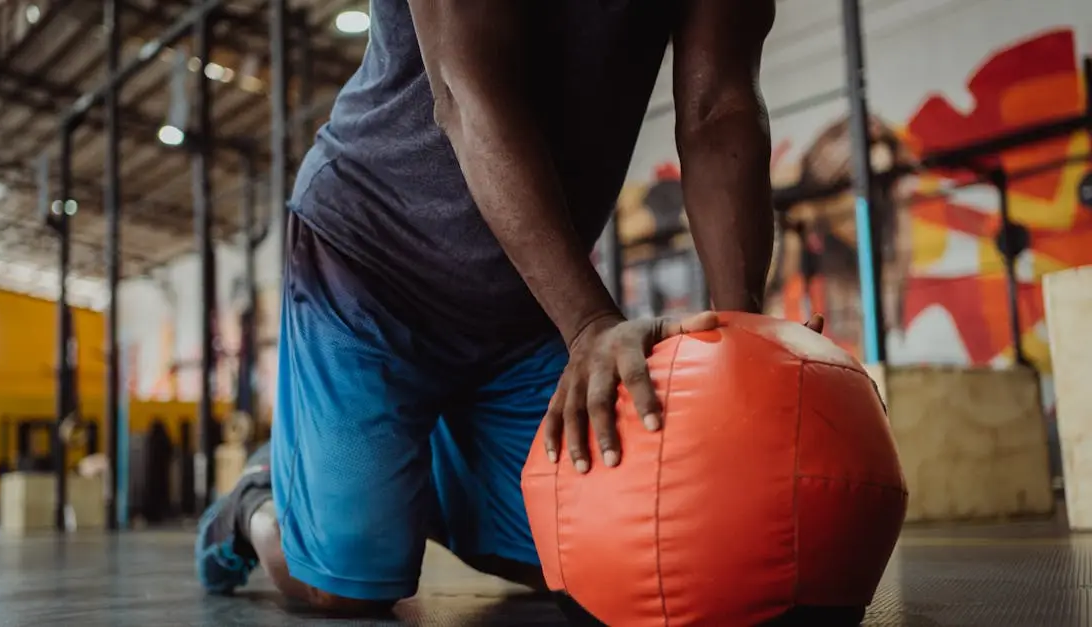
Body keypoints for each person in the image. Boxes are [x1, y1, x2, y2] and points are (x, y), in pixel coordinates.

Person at [196, 0, 822, 615]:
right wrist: (590, 324)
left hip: (521, 306)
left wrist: (742, 338)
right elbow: (467, 98)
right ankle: (258, 497)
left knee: (592, 562)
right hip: (371, 268)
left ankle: (410, 469)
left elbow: (719, 110)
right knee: (340, 585)